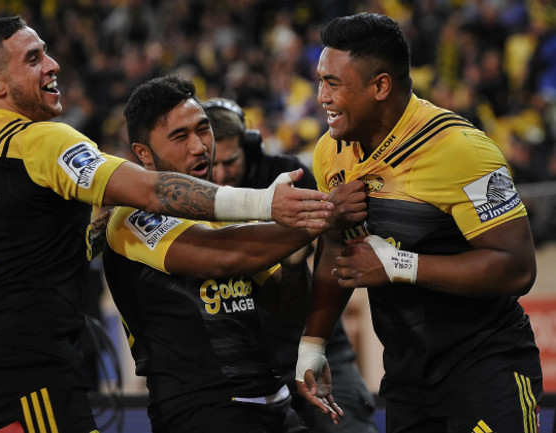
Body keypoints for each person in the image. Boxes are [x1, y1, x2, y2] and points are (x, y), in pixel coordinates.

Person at [0, 15, 332, 433]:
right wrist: (277, 205)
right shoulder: (41, 140)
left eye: (204, 131)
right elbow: (152, 192)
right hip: (30, 368)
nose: (53, 65)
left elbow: (29, 239)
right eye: (33, 59)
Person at [295, 12, 543, 433]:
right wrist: (313, 343)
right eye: (320, 81)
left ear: (380, 86)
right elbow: (337, 247)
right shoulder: (329, 152)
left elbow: (517, 267)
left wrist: (398, 265)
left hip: (487, 366)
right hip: (407, 379)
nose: (321, 97)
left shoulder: (463, 150)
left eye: (333, 83)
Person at [101, 74, 366, 433]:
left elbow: (287, 305)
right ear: (143, 154)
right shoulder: (130, 217)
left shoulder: (220, 217)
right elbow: (224, 258)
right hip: (201, 412)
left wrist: (292, 258)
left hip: (275, 406)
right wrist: (321, 216)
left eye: (202, 129)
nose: (199, 146)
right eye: (180, 136)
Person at [203, 97, 378, 433]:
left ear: (251, 148)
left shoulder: (285, 173)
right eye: (213, 164)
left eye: (231, 161)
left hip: (310, 342)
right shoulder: (197, 190)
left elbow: (309, 250)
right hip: (245, 363)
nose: (222, 174)